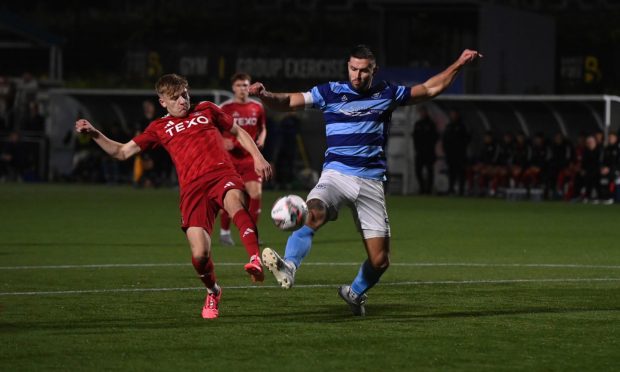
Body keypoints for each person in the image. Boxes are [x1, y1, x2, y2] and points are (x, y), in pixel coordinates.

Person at [249, 45, 481, 316]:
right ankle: (289, 265)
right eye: (353, 69)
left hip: (371, 183)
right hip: (336, 174)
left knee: (380, 260)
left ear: (374, 70)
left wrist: (459, 63)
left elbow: (430, 89)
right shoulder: (330, 92)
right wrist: (264, 95)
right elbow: (288, 101)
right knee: (315, 212)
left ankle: (354, 292)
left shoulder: (388, 93)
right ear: (347, 66)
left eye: (363, 70)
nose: (357, 76)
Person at [75, 73, 272, 319]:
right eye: (176, 98)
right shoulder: (159, 128)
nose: (183, 101)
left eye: (185, 95)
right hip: (192, 190)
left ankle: (255, 258)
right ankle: (213, 291)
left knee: (235, 202)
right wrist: (94, 133)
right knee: (200, 254)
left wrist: (258, 157)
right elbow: (122, 152)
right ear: (163, 102)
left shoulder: (207, 110)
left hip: (222, 174)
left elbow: (239, 132)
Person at [218, 73, 267, 246]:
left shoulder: (257, 107)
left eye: (245, 85)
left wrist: (262, 138)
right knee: (233, 198)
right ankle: (224, 232)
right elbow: (212, 130)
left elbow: (262, 128)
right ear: (233, 88)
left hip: (250, 159)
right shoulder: (224, 107)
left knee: (256, 194)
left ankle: (252, 233)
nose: (242, 89)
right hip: (230, 160)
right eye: (239, 85)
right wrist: (221, 140)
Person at [442, 109, 470, 195]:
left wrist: (461, 149)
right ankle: (451, 189)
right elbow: (445, 139)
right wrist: (446, 150)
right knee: (451, 172)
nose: (453, 116)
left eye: (454, 114)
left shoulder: (462, 126)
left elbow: (466, 139)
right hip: (450, 154)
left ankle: (461, 190)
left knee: (461, 172)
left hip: (460, 154)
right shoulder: (449, 126)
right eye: (452, 114)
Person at [412, 106, 439, 194]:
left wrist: (430, 146)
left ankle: (428, 190)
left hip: (429, 152)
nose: (422, 114)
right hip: (420, 152)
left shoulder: (431, 124)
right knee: (418, 170)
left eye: (423, 112)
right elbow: (414, 137)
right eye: (421, 112)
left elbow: (435, 137)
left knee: (430, 170)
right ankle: (422, 188)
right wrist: (417, 148)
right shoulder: (418, 124)